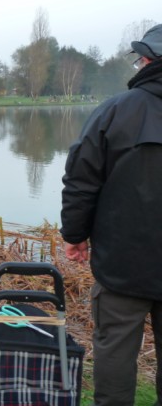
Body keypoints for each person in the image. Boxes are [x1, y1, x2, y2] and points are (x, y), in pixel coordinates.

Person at [61, 24, 162, 406]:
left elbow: (80, 181)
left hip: (123, 264)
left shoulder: (115, 110)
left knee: (116, 351)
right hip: (124, 264)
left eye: (139, 59)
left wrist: (74, 236)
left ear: (147, 60)